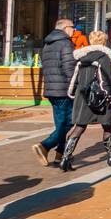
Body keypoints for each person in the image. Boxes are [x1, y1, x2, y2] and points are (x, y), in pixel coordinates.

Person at [59, 30, 111, 171]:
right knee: (107, 127)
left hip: (83, 98)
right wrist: (110, 96)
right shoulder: (104, 57)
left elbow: (75, 79)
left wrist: (73, 94)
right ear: (104, 41)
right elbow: (105, 79)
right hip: (101, 99)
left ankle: (65, 159)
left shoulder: (82, 58)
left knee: (79, 127)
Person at [32, 18, 76, 166]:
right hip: (64, 90)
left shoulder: (48, 45)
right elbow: (69, 69)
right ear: (64, 28)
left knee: (61, 124)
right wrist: (76, 86)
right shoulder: (66, 44)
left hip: (51, 89)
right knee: (70, 122)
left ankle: (60, 155)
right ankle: (45, 145)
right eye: (72, 27)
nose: (74, 30)